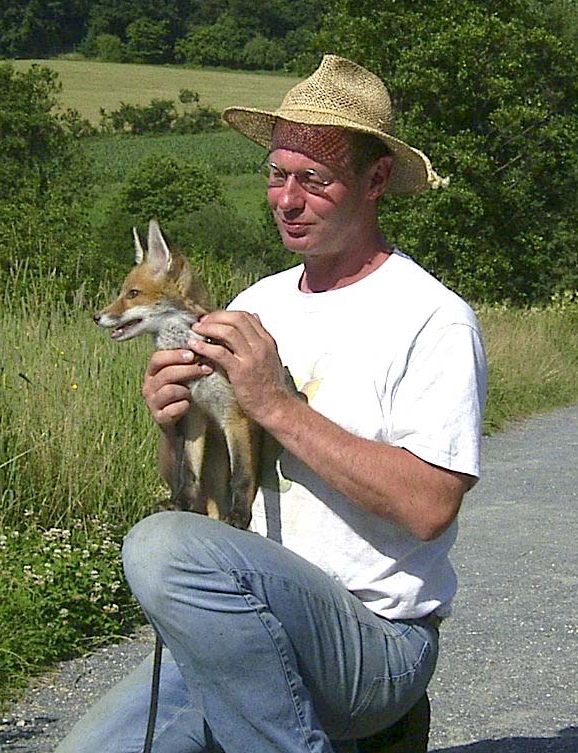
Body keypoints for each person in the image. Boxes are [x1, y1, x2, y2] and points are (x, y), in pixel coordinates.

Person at [57, 54, 486, 753]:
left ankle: (368, 722)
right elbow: (197, 489)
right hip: (245, 630)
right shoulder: (256, 304)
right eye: (276, 175)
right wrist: (172, 424)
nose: (285, 199)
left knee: (159, 547)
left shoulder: (430, 317)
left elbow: (430, 508)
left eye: (312, 180)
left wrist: (277, 405)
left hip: (375, 642)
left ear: (376, 181)